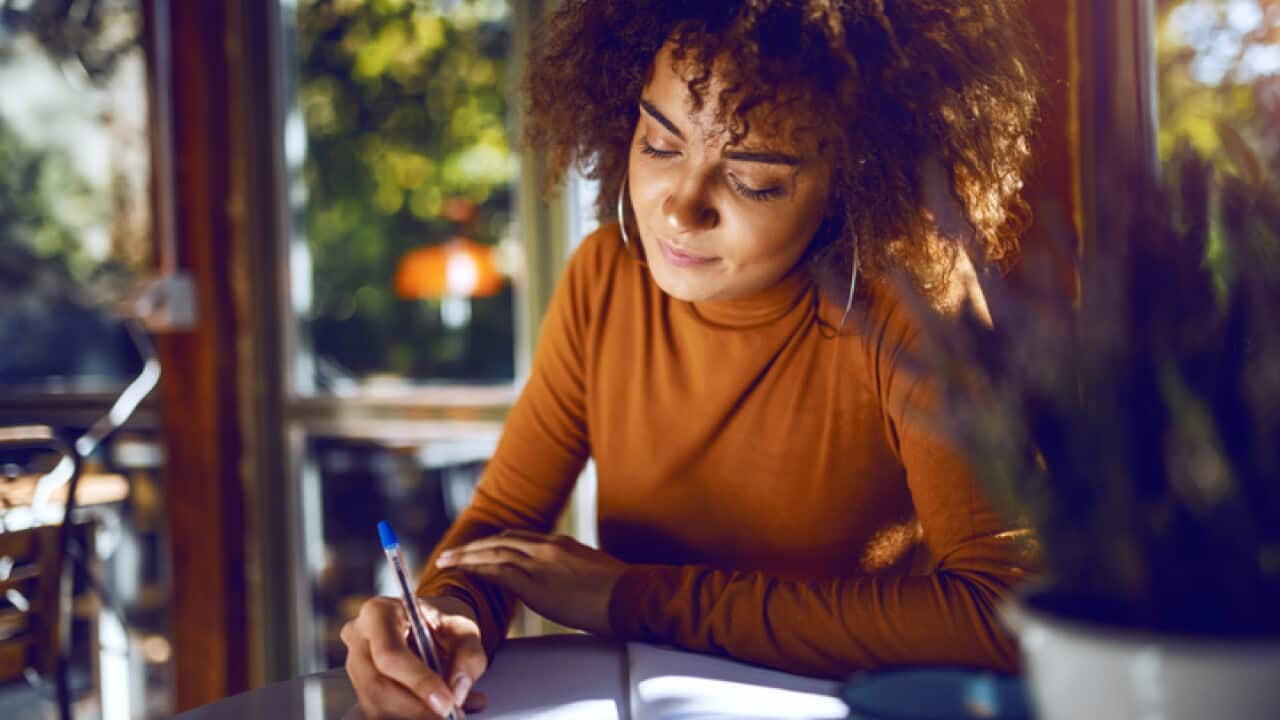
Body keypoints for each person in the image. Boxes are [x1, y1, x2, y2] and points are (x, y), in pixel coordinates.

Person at [341, 1, 1041, 717]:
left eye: (755, 180)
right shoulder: (604, 277)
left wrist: (636, 598)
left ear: (854, 181)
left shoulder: (912, 302)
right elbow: (506, 520)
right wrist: (445, 614)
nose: (681, 208)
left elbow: (1007, 609)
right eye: (660, 143)